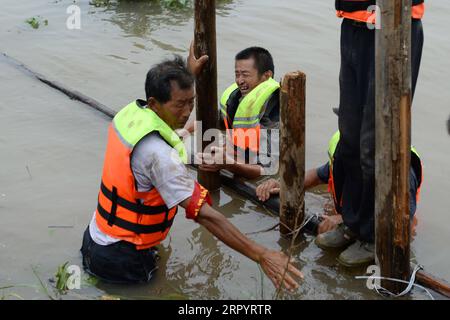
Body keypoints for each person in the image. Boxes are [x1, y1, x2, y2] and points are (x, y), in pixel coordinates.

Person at [80, 46, 302, 290]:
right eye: (180, 105)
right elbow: (206, 215)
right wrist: (262, 255)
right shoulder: (160, 156)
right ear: (155, 103)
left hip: (95, 237)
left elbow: (168, 95)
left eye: (191, 103)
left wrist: (188, 72)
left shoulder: (130, 114)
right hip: (121, 258)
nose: (187, 113)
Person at [328, 0, 425, 265]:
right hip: (353, 23)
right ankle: (353, 223)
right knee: (349, 136)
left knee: (377, 141)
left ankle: (375, 236)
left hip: (393, 27)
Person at [256, 131, 423, 266]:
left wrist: (345, 218)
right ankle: (349, 229)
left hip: (390, 225)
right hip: (354, 215)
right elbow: (318, 175)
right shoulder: (344, 151)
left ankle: (365, 239)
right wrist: (284, 185)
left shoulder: (400, 171)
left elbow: (403, 224)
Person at [186, 47, 280, 180]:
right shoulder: (239, 98)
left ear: (266, 76)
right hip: (238, 154)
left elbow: (267, 167)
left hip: (257, 166)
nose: (239, 81)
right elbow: (215, 119)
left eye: (245, 75)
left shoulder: (274, 112)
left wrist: (227, 163)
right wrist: (183, 131)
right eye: (237, 74)